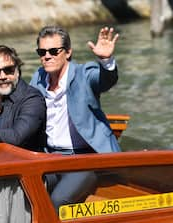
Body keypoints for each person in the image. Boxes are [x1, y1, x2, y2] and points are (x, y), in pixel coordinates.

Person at [30, 26, 120, 211]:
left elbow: (104, 80)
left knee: (57, 202)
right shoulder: (38, 77)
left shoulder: (84, 74)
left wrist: (106, 60)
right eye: (42, 52)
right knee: (27, 194)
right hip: (50, 157)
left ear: (68, 52)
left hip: (85, 159)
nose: (47, 56)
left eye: (54, 51)